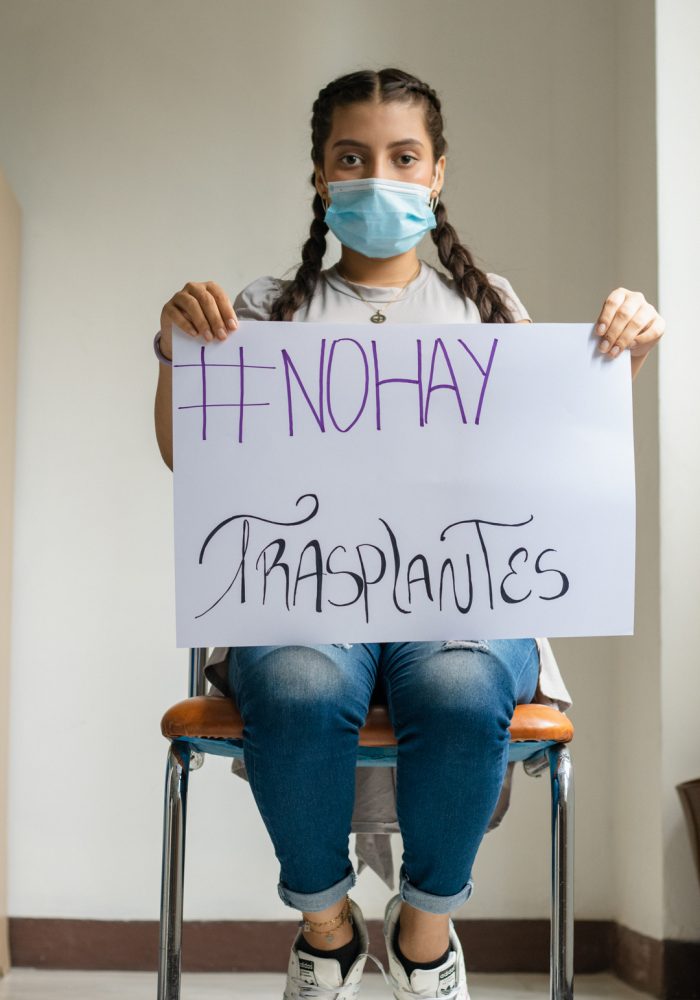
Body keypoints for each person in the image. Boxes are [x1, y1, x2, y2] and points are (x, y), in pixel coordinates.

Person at [153, 68, 664, 1000]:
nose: (378, 177)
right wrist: (174, 351)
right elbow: (193, 460)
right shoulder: (262, 314)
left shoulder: (488, 308)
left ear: (437, 174)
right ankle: (328, 932)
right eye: (352, 158)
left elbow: (550, 462)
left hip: (461, 609)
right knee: (299, 683)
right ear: (320, 175)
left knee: (463, 686)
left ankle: (425, 938)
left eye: (402, 157)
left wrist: (611, 365)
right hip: (306, 607)